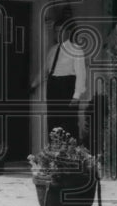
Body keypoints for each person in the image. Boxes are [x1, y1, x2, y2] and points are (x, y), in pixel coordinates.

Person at [31, 11, 88, 140]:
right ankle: (53, 156)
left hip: (67, 87)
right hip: (53, 87)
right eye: (56, 31)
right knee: (53, 122)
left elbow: (81, 74)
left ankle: (70, 157)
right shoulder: (52, 50)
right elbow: (45, 70)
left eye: (61, 31)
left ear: (68, 32)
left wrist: (76, 96)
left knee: (68, 124)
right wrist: (33, 85)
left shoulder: (76, 49)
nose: (58, 34)